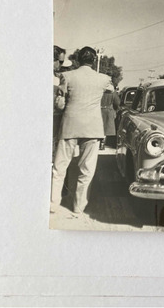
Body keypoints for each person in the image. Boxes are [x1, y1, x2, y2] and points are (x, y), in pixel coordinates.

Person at [50, 46, 113, 215]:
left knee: (59, 167)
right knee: (87, 170)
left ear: (77, 60)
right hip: (93, 128)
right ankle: (79, 206)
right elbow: (111, 90)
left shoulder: (67, 76)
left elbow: (60, 103)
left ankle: (53, 204)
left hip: (70, 125)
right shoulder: (104, 79)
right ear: (94, 61)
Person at [100, 85, 121, 149]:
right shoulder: (113, 93)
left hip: (99, 110)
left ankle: (99, 142)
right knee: (106, 129)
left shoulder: (100, 92)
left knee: (100, 127)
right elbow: (117, 103)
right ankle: (103, 143)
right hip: (109, 111)